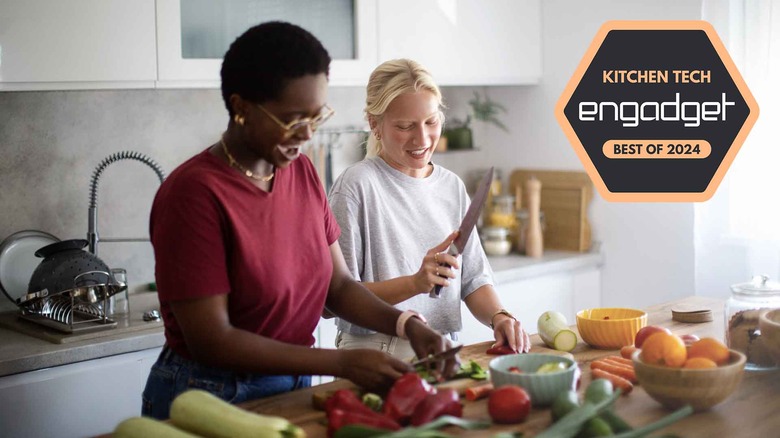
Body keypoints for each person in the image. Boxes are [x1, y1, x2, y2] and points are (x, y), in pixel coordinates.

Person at [142, 24, 456, 420]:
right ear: (241, 108)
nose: (307, 134)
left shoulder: (301, 172)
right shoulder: (193, 194)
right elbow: (211, 341)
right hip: (208, 393)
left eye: (315, 116)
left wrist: (408, 325)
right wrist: (341, 363)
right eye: (292, 120)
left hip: (292, 383)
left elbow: (338, 286)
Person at [328, 59, 532, 360]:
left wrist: (499, 317)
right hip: (375, 350)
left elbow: (473, 279)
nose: (422, 139)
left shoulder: (451, 186)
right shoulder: (357, 186)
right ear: (374, 124)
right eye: (405, 126)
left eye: (431, 122)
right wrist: (414, 283)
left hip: (442, 348)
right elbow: (338, 296)